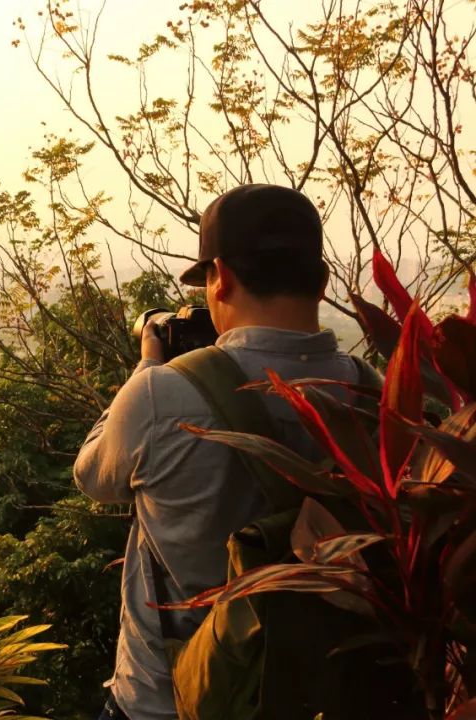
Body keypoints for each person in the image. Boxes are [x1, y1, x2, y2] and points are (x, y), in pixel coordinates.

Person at [74, 184, 371, 720]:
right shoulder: (375, 395)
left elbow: (93, 477)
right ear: (322, 283)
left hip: (168, 701)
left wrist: (148, 364)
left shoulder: (162, 392)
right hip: (325, 698)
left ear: (222, 277)